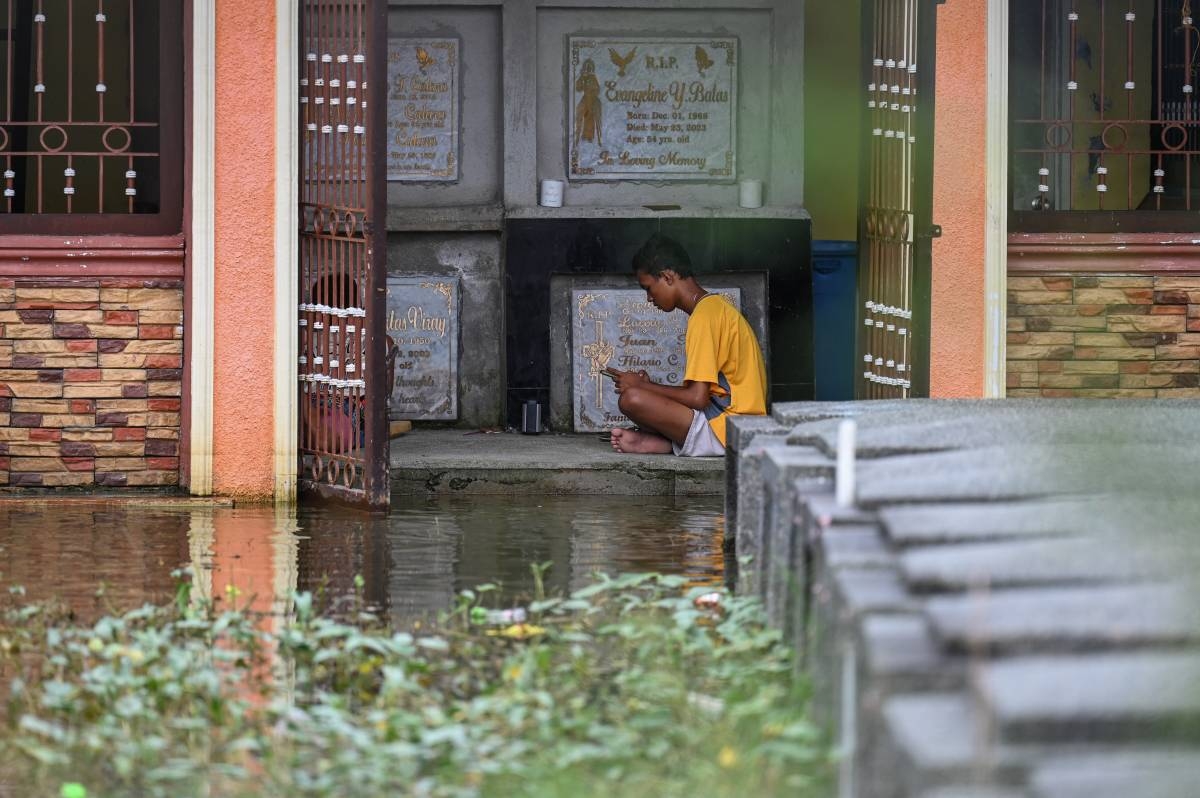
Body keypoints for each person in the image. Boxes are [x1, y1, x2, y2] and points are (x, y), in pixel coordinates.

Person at [608, 234, 767, 456]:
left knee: (632, 399)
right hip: (732, 422)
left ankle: (671, 443)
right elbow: (704, 394)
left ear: (667, 277)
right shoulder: (712, 308)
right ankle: (667, 443)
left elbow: (697, 398)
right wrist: (648, 385)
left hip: (731, 429)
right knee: (637, 394)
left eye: (648, 288)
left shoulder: (704, 317)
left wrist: (641, 387)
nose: (649, 299)